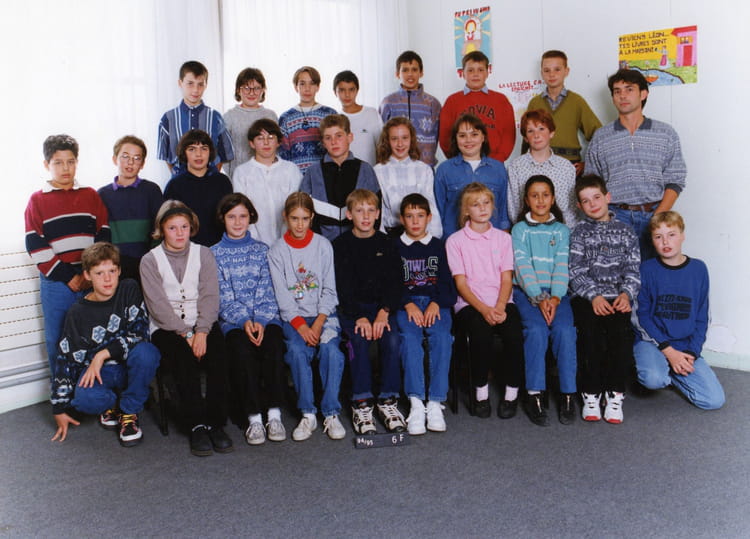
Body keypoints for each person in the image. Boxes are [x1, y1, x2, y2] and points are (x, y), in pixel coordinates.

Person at [140, 201, 232, 457]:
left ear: (192, 228)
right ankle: (196, 425)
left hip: (202, 320)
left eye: (184, 227)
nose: (179, 233)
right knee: (183, 360)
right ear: (162, 230)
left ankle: (215, 422)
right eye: (172, 228)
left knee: (219, 354)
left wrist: (202, 331)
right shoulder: (150, 260)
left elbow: (210, 296)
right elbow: (157, 305)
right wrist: (187, 334)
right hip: (167, 326)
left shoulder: (204, 254)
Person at [50, 242, 159, 447]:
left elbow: (140, 333)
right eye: (99, 273)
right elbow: (66, 360)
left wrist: (103, 354)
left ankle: (128, 411)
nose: (107, 279)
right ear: (87, 275)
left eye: (112, 271)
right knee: (84, 400)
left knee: (147, 353)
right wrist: (59, 408)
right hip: (101, 373)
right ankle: (114, 404)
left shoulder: (128, 289)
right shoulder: (77, 312)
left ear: (119, 271)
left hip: (129, 365)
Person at [25, 134, 110, 376]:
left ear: (77, 162)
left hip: (89, 278)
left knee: (94, 335)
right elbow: (35, 243)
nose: (65, 168)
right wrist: (67, 277)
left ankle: (91, 390)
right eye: (58, 162)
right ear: (46, 165)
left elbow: (103, 235)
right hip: (57, 282)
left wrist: (88, 274)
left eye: (70, 162)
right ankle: (62, 392)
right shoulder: (37, 200)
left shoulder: (91, 195)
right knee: (57, 338)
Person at [267, 192, 346, 441]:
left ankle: (331, 412)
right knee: (297, 352)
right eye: (294, 219)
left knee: (331, 351)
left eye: (304, 218)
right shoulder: (277, 251)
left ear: (312, 218)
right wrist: (301, 326)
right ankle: (308, 413)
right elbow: (282, 296)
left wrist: (319, 322)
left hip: (324, 315)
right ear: (285, 217)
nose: (299, 225)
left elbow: (330, 290)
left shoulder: (323, 246)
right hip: (294, 319)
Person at [585, 68, 687, 259]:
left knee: (652, 272)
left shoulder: (665, 133)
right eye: (617, 91)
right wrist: (603, 220)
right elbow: (591, 183)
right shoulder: (601, 137)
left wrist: (658, 217)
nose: (622, 95)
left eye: (629, 89)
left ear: (643, 94)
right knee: (615, 274)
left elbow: (676, 180)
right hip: (615, 217)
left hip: (655, 216)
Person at [211, 194, 287, 445]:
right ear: (223, 219)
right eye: (231, 217)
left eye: (243, 216)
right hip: (233, 321)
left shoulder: (263, 250)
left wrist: (261, 321)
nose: (237, 222)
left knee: (273, 345)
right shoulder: (214, 254)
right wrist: (244, 320)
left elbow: (269, 289)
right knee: (241, 351)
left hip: (266, 317)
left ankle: (274, 414)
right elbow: (222, 296)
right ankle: (254, 418)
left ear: (251, 218)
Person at [446, 183, 523, 419]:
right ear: (466, 210)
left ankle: (511, 392)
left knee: (514, 334)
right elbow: (461, 284)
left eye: (486, 203)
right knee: (480, 335)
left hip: (501, 301)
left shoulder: (503, 238)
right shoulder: (455, 241)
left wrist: (499, 306)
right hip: (470, 304)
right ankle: (480, 392)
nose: (482, 208)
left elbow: (506, 279)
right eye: (475, 204)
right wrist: (484, 309)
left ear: (493, 206)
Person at [633, 211, 725, 410]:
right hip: (652, 342)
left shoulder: (699, 269)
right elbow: (641, 317)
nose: (665, 242)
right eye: (658, 237)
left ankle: (674, 372)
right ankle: (662, 366)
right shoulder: (646, 269)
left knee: (714, 401)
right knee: (653, 378)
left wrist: (692, 352)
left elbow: (702, 317)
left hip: (685, 344)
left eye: (671, 234)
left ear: (682, 236)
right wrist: (668, 352)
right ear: (652, 241)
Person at [569, 175, 640, 423]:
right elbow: (575, 270)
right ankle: (591, 393)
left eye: (597, 197)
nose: (593, 204)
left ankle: (614, 393)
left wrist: (626, 294)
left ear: (608, 197)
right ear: (579, 206)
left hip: (617, 296)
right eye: (586, 201)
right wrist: (594, 296)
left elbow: (633, 270)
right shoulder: (579, 232)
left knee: (620, 334)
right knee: (590, 336)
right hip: (587, 297)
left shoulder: (626, 231)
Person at [332, 189, 405, 434]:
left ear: (377, 214)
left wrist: (384, 311)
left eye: (370, 211)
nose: (365, 216)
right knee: (358, 340)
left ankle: (388, 399)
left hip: (381, 307)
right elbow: (342, 287)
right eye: (359, 211)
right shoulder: (340, 245)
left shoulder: (388, 243)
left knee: (392, 339)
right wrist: (359, 316)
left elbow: (396, 283)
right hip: (352, 309)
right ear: (349, 214)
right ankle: (361, 401)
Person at [511, 176, 577, 426]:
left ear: (553, 198)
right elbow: (522, 266)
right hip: (527, 292)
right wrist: (539, 298)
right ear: (526, 200)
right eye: (534, 195)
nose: (540, 200)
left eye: (545, 195)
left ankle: (568, 393)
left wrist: (556, 297)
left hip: (558, 293)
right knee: (537, 331)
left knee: (564, 331)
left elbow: (562, 266)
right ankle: (534, 393)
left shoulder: (561, 231)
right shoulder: (520, 230)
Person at [396, 193, 456, 434]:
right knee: (410, 340)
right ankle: (416, 402)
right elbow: (390, 284)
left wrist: (436, 303)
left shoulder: (438, 246)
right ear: (401, 219)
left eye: (420, 216)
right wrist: (407, 303)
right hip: (407, 304)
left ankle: (435, 402)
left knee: (442, 338)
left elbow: (448, 284)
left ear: (429, 218)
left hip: (435, 303)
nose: (415, 221)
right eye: (409, 216)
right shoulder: (395, 246)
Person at [300, 114, 379, 241]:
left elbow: (376, 209)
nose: (334, 142)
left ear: (350, 137)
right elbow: (302, 211)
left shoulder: (365, 169)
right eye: (328, 138)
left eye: (339, 136)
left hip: (358, 242)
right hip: (323, 243)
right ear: (323, 143)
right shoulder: (313, 172)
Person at [524, 50, 602, 174]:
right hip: (539, 164)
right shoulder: (535, 103)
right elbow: (526, 138)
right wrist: (525, 165)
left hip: (570, 165)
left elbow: (599, 135)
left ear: (566, 71)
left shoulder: (576, 101)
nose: (552, 74)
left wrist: (588, 163)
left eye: (557, 69)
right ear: (541, 73)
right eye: (547, 70)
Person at [98, 135, 163, 281]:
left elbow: (159, 228)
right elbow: (100, 235)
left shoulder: (151, 190)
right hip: (114, 266)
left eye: (137, 158)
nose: (130, 162)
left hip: (147, 263)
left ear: (143, 163)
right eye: (125, 156)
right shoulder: (102, 194)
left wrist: (152, 260)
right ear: (115, 159)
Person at [434, 113, 511, 237]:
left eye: (474, 134)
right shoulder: (444, 170)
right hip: (454, 238)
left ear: (483, 137)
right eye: (462, 135)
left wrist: (504, 234)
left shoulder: (498, 169)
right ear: (455, 139)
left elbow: (503, 208)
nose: (468, 140)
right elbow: (438, 209)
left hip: (491, 239)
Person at [231, 118, 302, 246]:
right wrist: (254, 241)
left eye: (271, 137)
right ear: (252, 143)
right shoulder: (242, 172)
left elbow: (296, 208)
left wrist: (287, 239)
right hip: (254, 243)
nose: (266, 143)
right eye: (260, 138)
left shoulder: (291, 170)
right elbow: (242, 211)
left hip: (288, 241)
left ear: (278, 142)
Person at [157, 60, 234, 176]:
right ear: (180, 83)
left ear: (206, 85)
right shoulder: (168, 119)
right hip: (180, 181)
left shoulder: (215, 117)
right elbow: (166, 155)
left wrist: (212, 176)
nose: (195, 90)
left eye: (200, 84)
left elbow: (224, 153)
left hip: (210, 180)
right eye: (190, 83)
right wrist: (178, 177)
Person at [439, 51, 515, 163]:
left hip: (494, 163)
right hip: (462, 164)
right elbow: (445, 136)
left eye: (480, 70)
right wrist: (457, 160)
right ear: (463, 73)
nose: (475, 74)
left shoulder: (501, 100)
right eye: (470, 70)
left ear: (487, 72)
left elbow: (509, 135)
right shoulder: (452, 101)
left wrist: (497, 160)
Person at [507, 109, 578, 227]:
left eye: (541, 129)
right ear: (525, 138)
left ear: (551, 133)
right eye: (530, 131)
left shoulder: (566, 167)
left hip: (560, 231)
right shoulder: (516, 167)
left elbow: (571, 208)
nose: (536, 135)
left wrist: (565, 232)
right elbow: (513, 207)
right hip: (527, 231)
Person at [374, 117, 442, 238]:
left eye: (405, 138)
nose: (400, 144)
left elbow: (430, 205)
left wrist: (434, 237)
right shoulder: (378, 171)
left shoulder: (424, 170)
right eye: (394, 139)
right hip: (390, 234)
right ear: (387, 141)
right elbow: (380, 210)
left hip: (419, 233)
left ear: (412, 139)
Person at [163, 129, 233, 247]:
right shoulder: (174, 185)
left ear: (210, 152)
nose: (198, 154)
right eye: (192, 149)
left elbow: (230, 217)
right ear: (184, 153)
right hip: (187, 248)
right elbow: (168, 223)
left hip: (220, 247)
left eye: (204, 148)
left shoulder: (223, 182)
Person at [379, 50, 441, 167]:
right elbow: (381, 137)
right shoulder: (388, 103)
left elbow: (439, 136)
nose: (410, 74)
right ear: (397, 74)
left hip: (425, 166)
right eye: (405, 70)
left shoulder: (433, 103)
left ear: (421, 73)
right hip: (394, 167)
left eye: (414, 70)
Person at [278, 66, 337, 172]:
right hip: (296, 177)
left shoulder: (330, 114)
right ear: (296, 87)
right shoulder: (286, 118)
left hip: (325, 176)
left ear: (318, 87)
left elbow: (337, 149)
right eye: (302, 83)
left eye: (312, 83)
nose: (307, 88)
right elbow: (283, 156)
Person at [223, 67, 278, 179]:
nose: (252, 93)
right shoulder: (229, 117)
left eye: (257, 88)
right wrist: (232, 176)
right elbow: (224, 151)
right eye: (246, 88)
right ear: (238, 90)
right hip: (238, 178)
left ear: (263, 90)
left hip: (266, 177)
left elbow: (276, 149)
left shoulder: (271, 116)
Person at [333, 70, 382, 166]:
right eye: (342, 90)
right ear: (335, 92)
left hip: (370, 172)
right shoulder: (335, 119)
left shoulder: (371, 113)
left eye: (351, 89)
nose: (347, 94)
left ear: (357, 90)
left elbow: (381, 147)